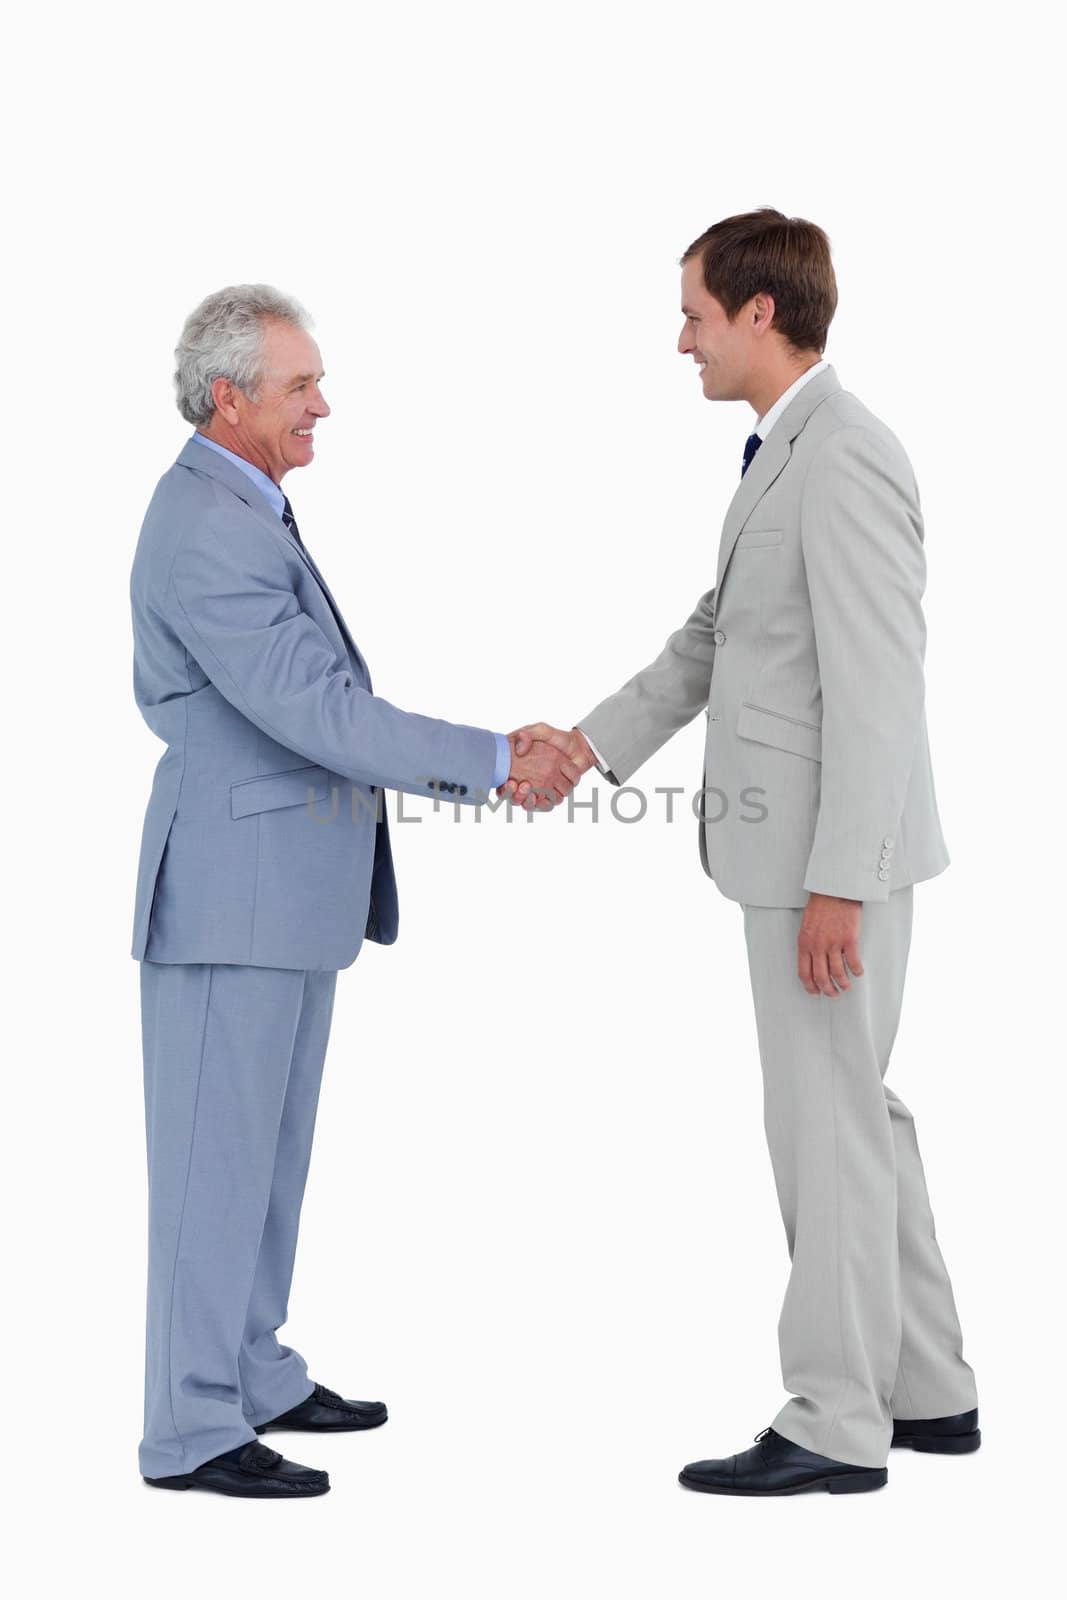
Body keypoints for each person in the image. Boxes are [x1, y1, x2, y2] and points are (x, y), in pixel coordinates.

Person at [510, 209, 979, 1496]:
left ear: (759, 314)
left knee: (821, 1132)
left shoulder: (844, 457)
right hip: (804, 861)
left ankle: (834, 1421)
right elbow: (716, 640)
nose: (682, 340)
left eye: (695, 316)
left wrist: (839, 880)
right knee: (857, 1117)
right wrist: (587, 748)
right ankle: (926, 1388)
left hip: (826, 868)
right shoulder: (785, 451)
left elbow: (879, 690)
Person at [129, 284, 577, 1499]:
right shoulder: (208, 524)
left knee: (266, 1158)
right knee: (210, 1167)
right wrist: (494, 759)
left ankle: (253, 1371)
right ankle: (190, 1427)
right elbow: (315, 712)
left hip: (281, 895)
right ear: (228, 399)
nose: (322, 402)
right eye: (299, 385)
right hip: (233, 895)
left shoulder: (244, 507)